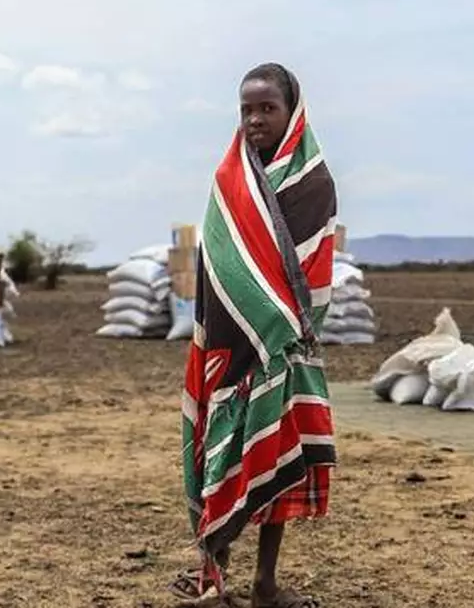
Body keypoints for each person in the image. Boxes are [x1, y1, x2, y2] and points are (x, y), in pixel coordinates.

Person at [169, 63, 338, 608]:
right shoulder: (229, 179)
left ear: (292, 114)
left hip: (284, 351)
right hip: (232, 349)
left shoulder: (313, 183)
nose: (255, 120)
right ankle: (213, 577)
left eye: (267, 109)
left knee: (276, 467)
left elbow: (312, 266)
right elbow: (219, 261)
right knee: (224, 460)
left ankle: (264, 583)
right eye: (247, 110)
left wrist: (280, 326)